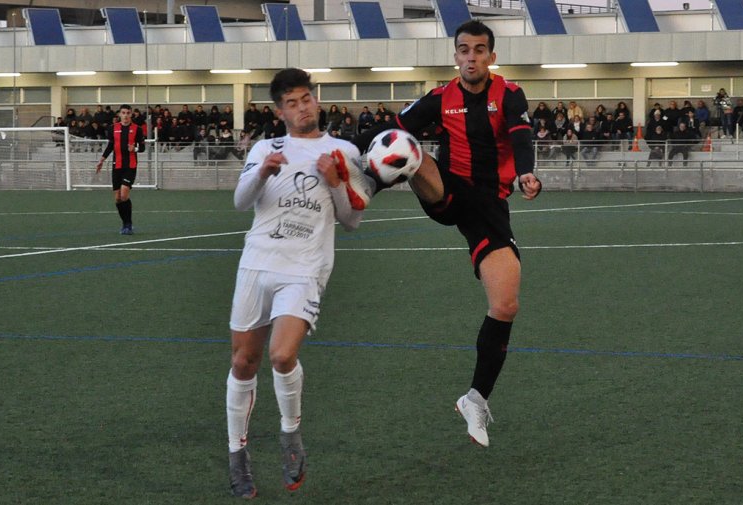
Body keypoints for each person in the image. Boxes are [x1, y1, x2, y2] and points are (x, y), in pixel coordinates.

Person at [354, 20, 541, 448]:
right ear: (455, 55)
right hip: (449, 192)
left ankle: (475, 398)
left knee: (506, 303)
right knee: (404, 144)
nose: (471, 57)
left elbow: (522, 134)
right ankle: (364, 187)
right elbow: (388, 129)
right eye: (464, 50)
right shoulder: (441, 99)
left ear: (491, 57)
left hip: (489, 209)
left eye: (479, 50)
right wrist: (340, 147)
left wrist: (527, 170)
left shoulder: (509, 95)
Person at [226, 68, 372, 499]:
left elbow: (353, 220)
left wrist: (338, 182)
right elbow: (239, 202)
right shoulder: (265, 148)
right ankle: (238, 455)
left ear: (316, 101)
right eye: (292, 102)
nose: (302, 107)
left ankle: (291, 436)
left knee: (282, 354)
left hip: (305, 267)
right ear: (280, 111)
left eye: (307, 98)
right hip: (256, 263)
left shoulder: (343, 150)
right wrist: (263, 173)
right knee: (242, 363)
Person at [96, 104, 145, 235]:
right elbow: (110, 145)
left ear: (131, 115)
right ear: (119, 114)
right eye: (123, 113)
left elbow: (142, 148)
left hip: (130, 166)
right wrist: (102, 159)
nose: (126, 115)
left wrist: (134, 149)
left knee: (124, 195)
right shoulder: (113, 128)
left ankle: (128, 225)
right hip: (116, 166)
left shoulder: (137, 129)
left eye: (128, 113)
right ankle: (125, 224)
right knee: (117, 198)